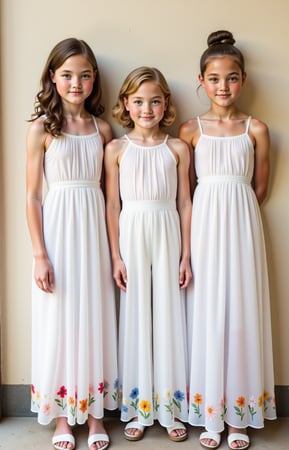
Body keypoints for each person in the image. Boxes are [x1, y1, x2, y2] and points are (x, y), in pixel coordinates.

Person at [179, 30, 276, 450]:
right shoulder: (190, 130)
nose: (223, 87)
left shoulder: (257, 129)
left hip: (242, 228)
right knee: (206, 311)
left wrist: (237, 215)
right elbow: (185, 191)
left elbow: (260, 188)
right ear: (201, 80)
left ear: (244, 79)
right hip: (203, 229)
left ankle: (238, 417)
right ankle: (209, 415)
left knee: (239, 313)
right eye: (215, 79)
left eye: (232, 78)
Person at [26, 38, 118, 450]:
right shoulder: (42, 129)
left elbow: (111, 194)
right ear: (53, 77)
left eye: (83, 75)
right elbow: (32, 196)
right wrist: (39, 254)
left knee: (95, 315)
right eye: (66, 75)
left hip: (94, 233)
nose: (75, 82)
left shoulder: (102, 129)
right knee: (60, 319)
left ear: (94, 78)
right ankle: (65, 417)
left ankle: (96, 415)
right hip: (58, 233)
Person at [105, 66, 192, 442]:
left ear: (166, 103)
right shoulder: (116, 149)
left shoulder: (177, 148)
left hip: (168, 231)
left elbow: (186, 202)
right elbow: (111, 206)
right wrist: (115, 257)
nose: (147, 108)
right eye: (138, 101)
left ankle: (171, 409)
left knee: (169, 314)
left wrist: (186, 255)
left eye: (155, 101)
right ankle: (139, 411)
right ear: (126, 103)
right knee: (138, 314)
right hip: (132, 234)